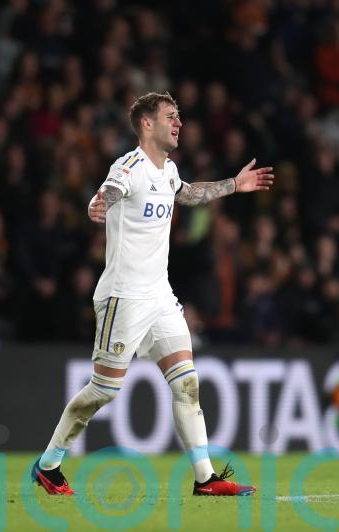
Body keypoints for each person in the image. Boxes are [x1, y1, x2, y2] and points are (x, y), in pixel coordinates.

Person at [33, 92, 274, 496]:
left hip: (159, 295)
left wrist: (234, 184)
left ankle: (205, 478)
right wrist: (98, 202)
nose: (179, 124)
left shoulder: (168, 172)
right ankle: (49, 464)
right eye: (171, 117)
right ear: (147, 124)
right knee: (104, 390)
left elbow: (189, 192)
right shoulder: (129, 166)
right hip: (123, 297)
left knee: (187, 382)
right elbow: (109, 191)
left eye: (179, 117)